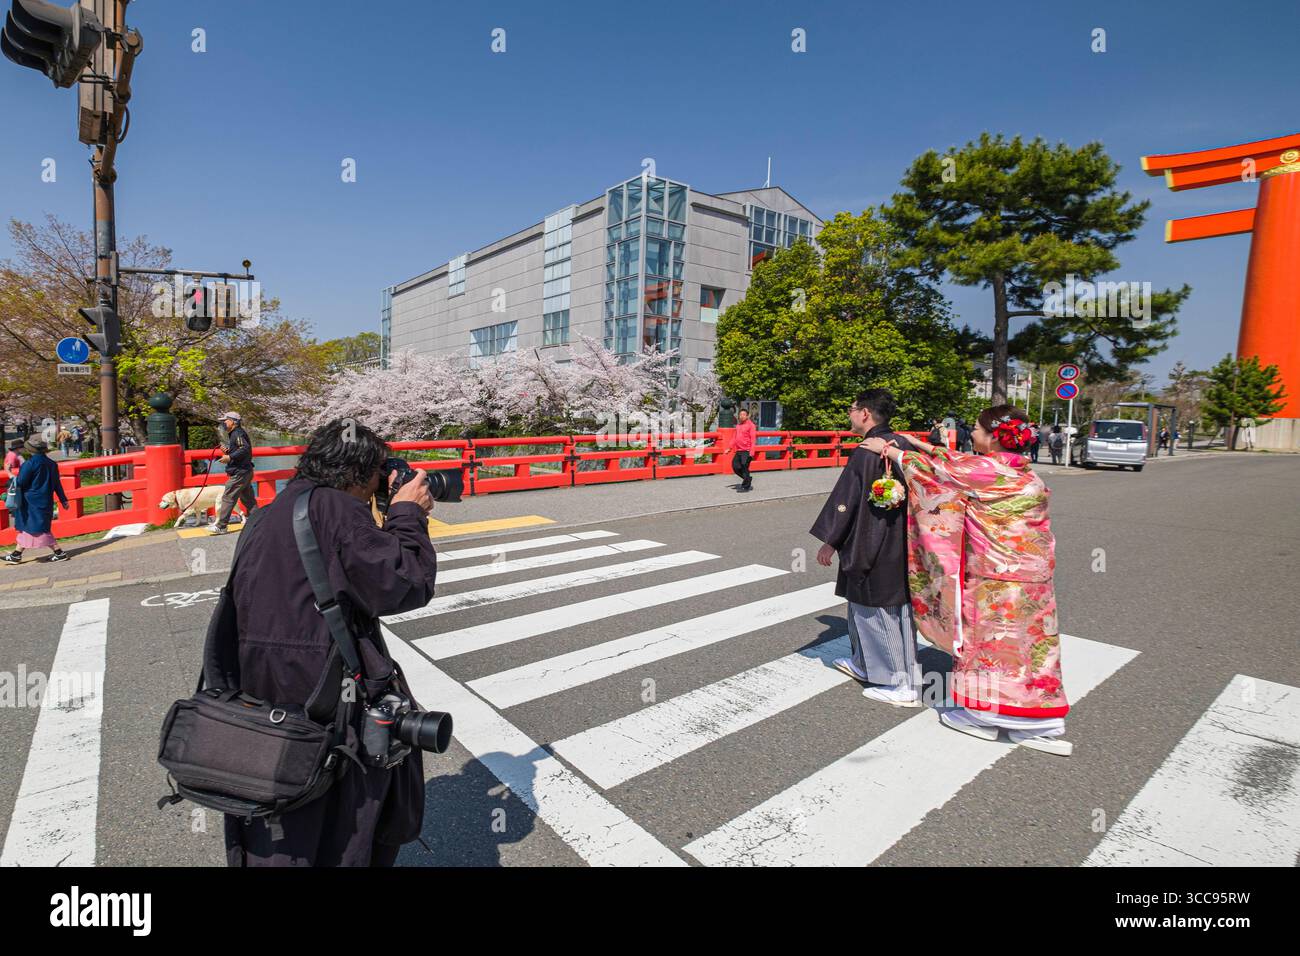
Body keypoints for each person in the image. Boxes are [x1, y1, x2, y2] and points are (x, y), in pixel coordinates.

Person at [223, 419, 438, 866]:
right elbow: (404, 584)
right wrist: (406, 514)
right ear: (361, 473)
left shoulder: (269, 512)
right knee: (342, 819)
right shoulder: (338, 511)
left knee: (284, 816)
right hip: (326, 698)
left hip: (261, 692)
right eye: (381, 471)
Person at [863, 404, 1071, 756]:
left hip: (996, 576)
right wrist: (923, 444)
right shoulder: (1023, 472)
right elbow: (955, 462)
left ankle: (981, 716)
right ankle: (1039, 720)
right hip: (1035, 578)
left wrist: (891, 450)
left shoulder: (984, 470)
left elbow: (938, 474)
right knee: (1032, 649)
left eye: (976, 428)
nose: (972, 432)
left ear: (993, 438)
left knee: (989, 647)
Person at [811, 389, 919, 706]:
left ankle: (900, 684)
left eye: (852, 408)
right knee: (887, 607)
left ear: (866, 414)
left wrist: (830, 540)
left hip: (872, 540)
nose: (850, 413)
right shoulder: (904, 445)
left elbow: (847, 502)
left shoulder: (867, 451)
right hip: (903, 539)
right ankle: (865, 663)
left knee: (876, 606)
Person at [3, 438, 71, 565]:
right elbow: (57, 484)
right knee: (32, 527)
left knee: (36, 528)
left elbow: (20, 483)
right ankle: (16, 555)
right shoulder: (52, 464)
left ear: (29, 449)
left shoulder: (29, 464)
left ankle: (59, 552)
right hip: (45, 500)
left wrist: (8, 472)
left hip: (30, 502)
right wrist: (63, 500)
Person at [210, 411, 257, 534]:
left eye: (225, 421)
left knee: (228, 497)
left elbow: (244, 448)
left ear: (233, 422)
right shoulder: (235, 434)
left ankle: (221, 526)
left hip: (239, 472)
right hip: (245, 471)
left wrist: (229, 458)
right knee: (248, 500)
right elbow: (241, 450)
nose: (224, 423)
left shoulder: (237, 433)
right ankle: (259, 521)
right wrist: (229, 451)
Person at [730, 407, 757, 492]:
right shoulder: (738, 426)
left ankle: (746, 486)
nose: (741, 416)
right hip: (739, 450)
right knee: (735, 467)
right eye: (740, 414)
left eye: (743, 414)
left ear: (747, 416)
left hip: (747, 450)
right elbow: (734, 438)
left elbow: (753, 439)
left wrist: (752, 452)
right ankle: (747, 478)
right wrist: (729, 447)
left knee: (744, 466)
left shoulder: (751, 426)